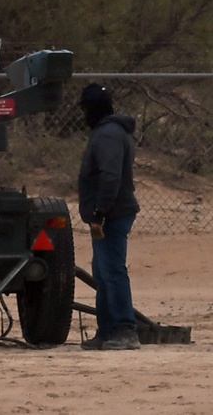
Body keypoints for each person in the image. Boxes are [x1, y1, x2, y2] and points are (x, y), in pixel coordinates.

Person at [77, 83, 141, 351]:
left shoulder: (107, 135)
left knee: (112, 270)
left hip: (111, 214)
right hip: (108, 213)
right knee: (102, 271)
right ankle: (106, 331)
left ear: (92, 108)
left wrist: (100, 212)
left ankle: (125, 329)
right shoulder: (111, 132)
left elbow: (111, 175)